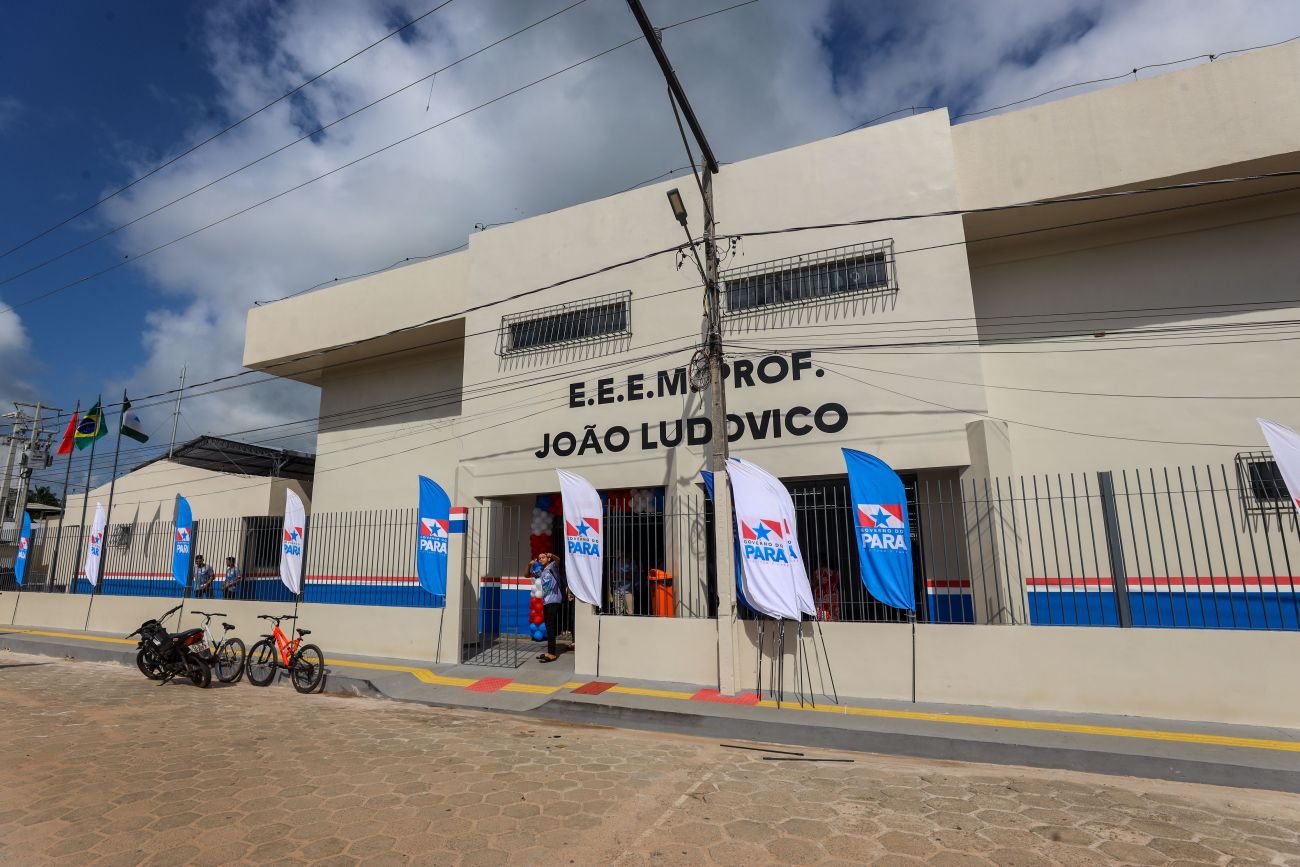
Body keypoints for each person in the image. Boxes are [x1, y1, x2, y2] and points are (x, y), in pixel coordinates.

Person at [538, 553, 565, 663]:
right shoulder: (543, 571)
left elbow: (558, 560)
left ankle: (552, 653)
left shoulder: (552, 566)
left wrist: (553, 555)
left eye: (543, 557)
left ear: (548, 558)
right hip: (546, 601)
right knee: (549, 627)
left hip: (553, 600)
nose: (541, 559)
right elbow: (527, 575)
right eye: (539, 558)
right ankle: (550, 651)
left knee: (551, 627)